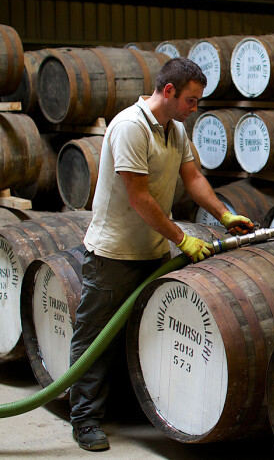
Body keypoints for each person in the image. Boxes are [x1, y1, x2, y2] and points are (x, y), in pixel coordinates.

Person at [69, 57, 254, 451]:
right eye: (191, 100)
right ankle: (84, 419)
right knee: (95, 339)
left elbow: (194, 178)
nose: (195, 108)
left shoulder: (176, 130)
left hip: (151, 252)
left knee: (142, 336)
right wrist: (182, 239)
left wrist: (224, 214)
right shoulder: (129, 127)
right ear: (168, 92)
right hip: (113, 254)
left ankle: (126, 407)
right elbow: (139, 198)